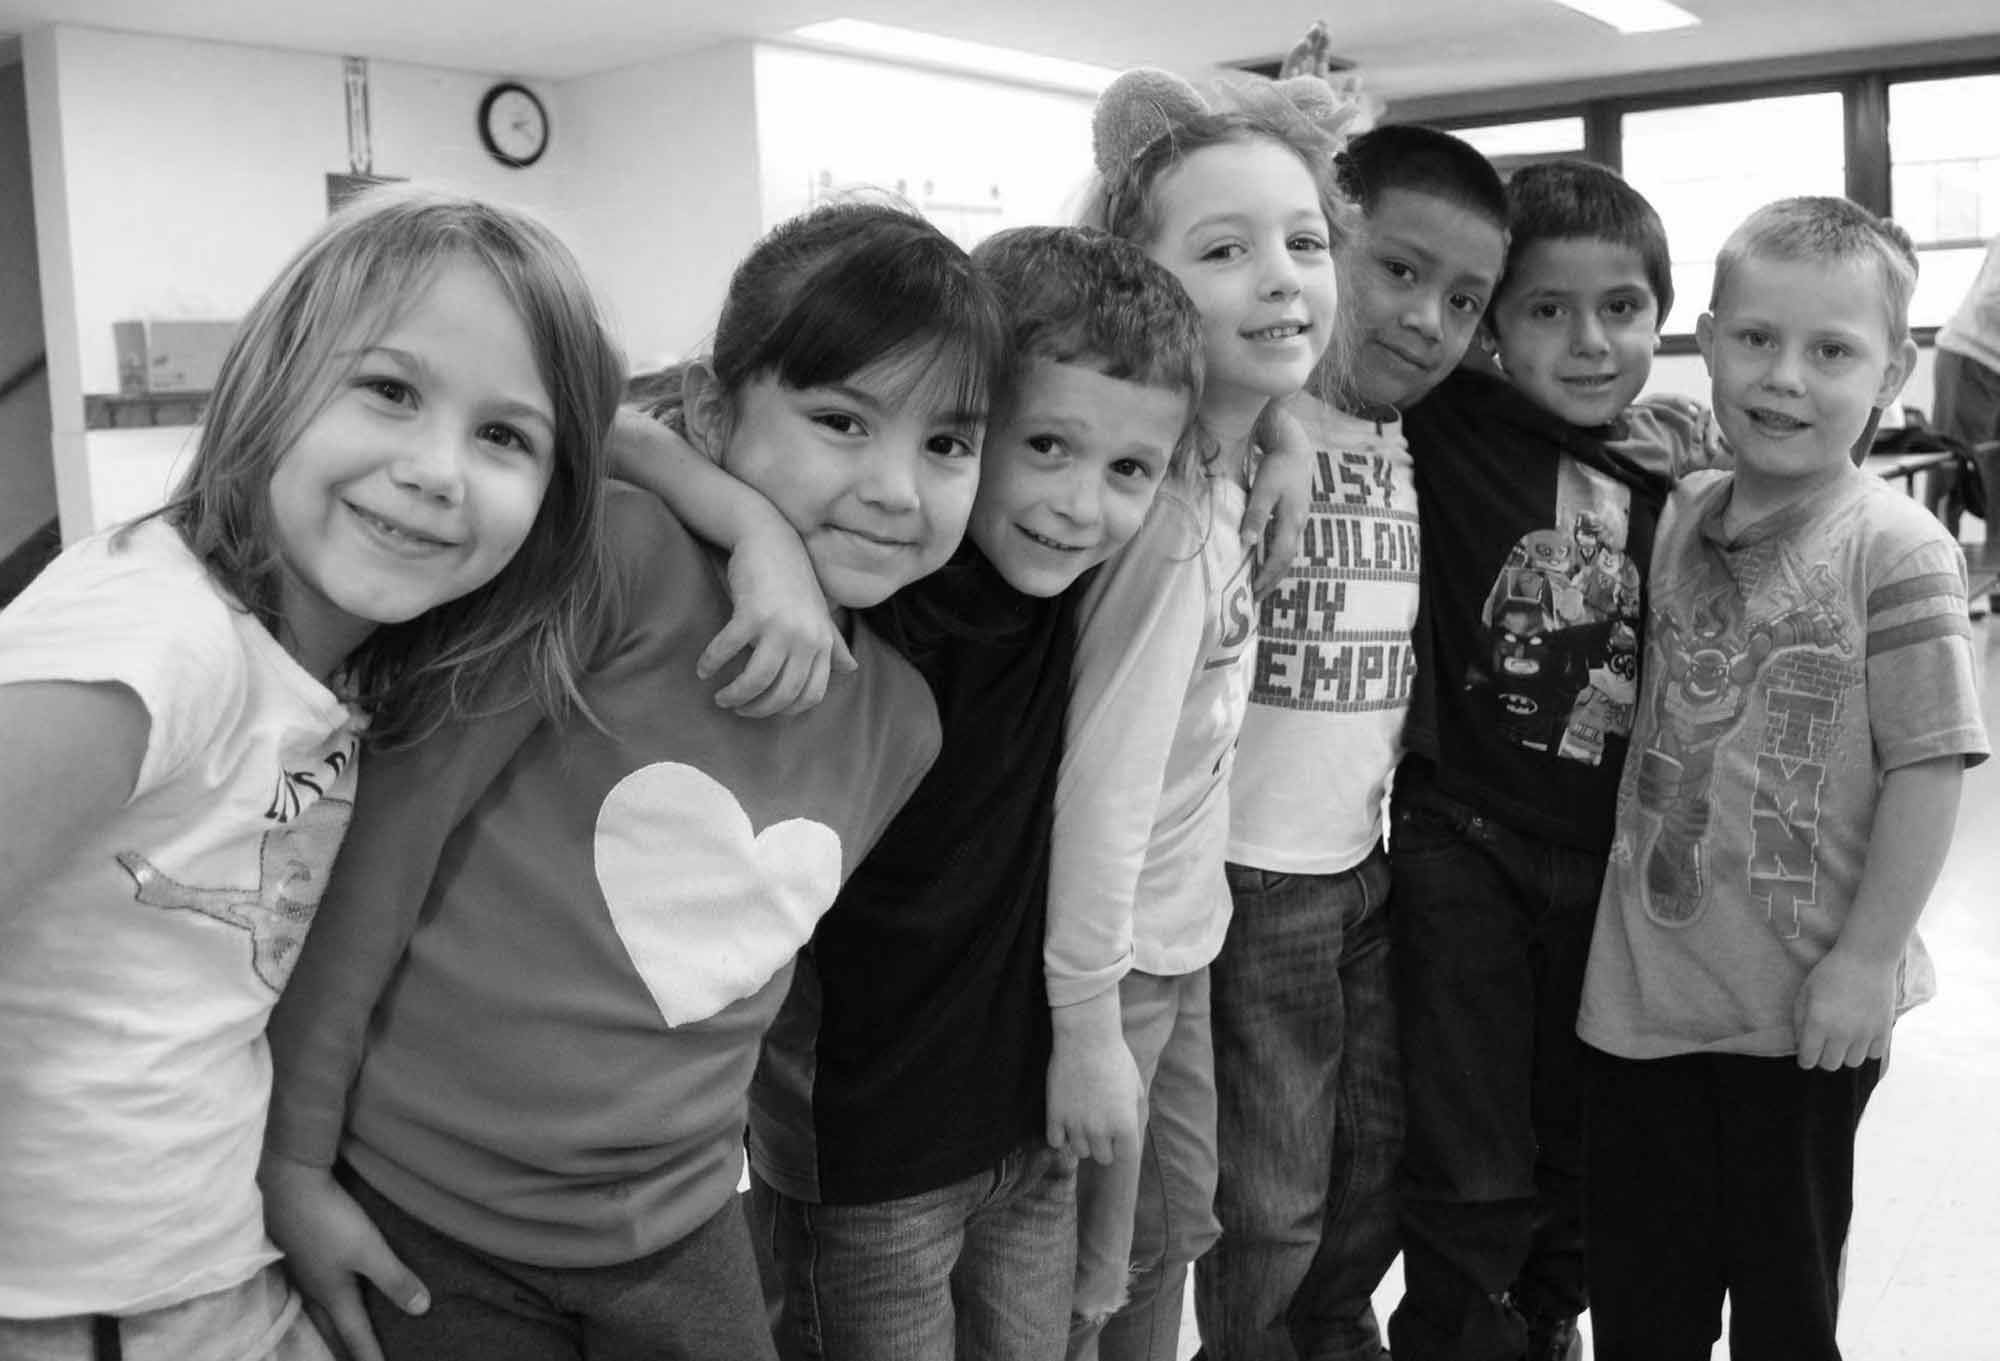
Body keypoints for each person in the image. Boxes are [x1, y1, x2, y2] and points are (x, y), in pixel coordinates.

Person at [258, 201, 1009, 1361]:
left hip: (685, 1226)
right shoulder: (620, 555)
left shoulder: (901, 721)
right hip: (428, 1216)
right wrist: (295, 1164)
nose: (898, 488)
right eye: (840, 420)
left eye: (946, 444)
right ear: (712, 409)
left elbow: (737, 980)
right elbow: (380, 857)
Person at [0, 187, 623, 1361]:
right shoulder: (157, 636)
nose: (437, 469)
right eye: (389, 390)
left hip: (206, 1268)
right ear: (272, 382)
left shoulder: (325, 662)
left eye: (505, 435)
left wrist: (753, 539)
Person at [1578, 196, 1989, 1361]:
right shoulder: (1677, 512)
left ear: (1891, 368)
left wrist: (1862, 964)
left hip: (1799, 1015)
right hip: (1640, 1001)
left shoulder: (1891, 543)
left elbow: (1927, 764)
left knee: (1782, 1305)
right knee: (1642, 1304)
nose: (1784, 378)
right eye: (1754, 339)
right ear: (1704, 342)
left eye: (1830, 351)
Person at [1195, 122, 1509, 1361]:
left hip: (1362, 867)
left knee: (1371, 1163)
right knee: (1268, 1194)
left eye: (1461, 297)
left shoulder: (1415, 437)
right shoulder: (1230, 423)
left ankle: (1328, 1337)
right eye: (1394, 269)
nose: (1425, 318)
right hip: (1245, 873)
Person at [1048, 67, 1348, 1361]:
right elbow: (1100, 788)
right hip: (1108, 973)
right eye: (1227, 251)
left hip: (1176, 944)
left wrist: (1280, 424)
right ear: (1145, 287)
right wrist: (1085, 1024)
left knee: (1167, 1238)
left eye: (1306, 242)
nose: (1284, 277)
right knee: (1090, 1277)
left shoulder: (1227, 465)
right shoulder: (1159, 523)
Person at [1388, 159, 1701, 1361]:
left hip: (1610, 856)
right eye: (1544, 310)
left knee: (1584, 1131)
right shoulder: (1444, 421)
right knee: (1467, 1151)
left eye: (1619, 308)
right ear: (1486, 331)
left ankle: (1542, 1320)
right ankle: (1458, 1334)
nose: (1586, 341)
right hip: (1461, 842)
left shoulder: (1675, 470)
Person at [1929, 233, 2000, 532]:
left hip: (1992, 363)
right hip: (1971, 357)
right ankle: (1927, 565)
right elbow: (1992, 300)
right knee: (1953, 471)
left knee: (1994, 472)